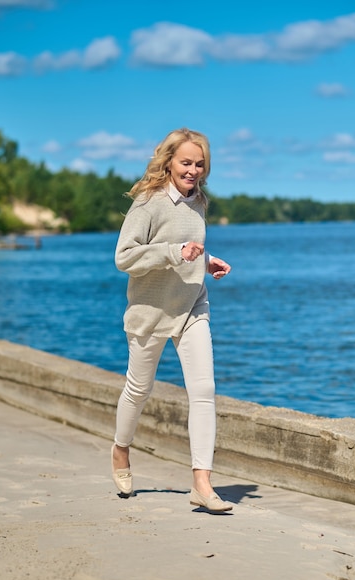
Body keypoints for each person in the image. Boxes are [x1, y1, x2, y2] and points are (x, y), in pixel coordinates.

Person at [112, 127, 233, 512]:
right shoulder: (148, 203)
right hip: (151, 310)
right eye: (186, 162)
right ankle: (120, 450)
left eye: (200, 164)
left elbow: (187, 246)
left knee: (204, 391)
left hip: (192, 305)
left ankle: (202, 482)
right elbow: (124, 257)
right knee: (138, 389)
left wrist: (203, 259)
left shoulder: (199, 202)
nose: (193, 170)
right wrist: (173, 251)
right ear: (168, 162)